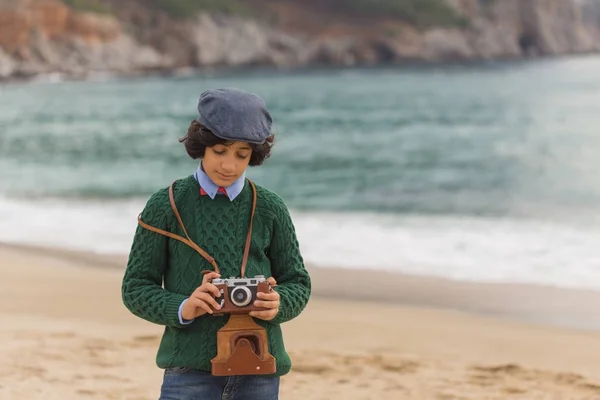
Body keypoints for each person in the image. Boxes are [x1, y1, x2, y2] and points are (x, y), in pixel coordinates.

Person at [121, 88, 311, 400]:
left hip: (260, 369)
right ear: (202, 145)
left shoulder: (270, 207)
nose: (229, 166)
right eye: (220, 151)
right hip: (188, 370)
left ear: (255, 154)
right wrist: (185, 306)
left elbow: (298, 282)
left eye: (242, 155)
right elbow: (135, 288)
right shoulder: (165, 204)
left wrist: (278, 303)